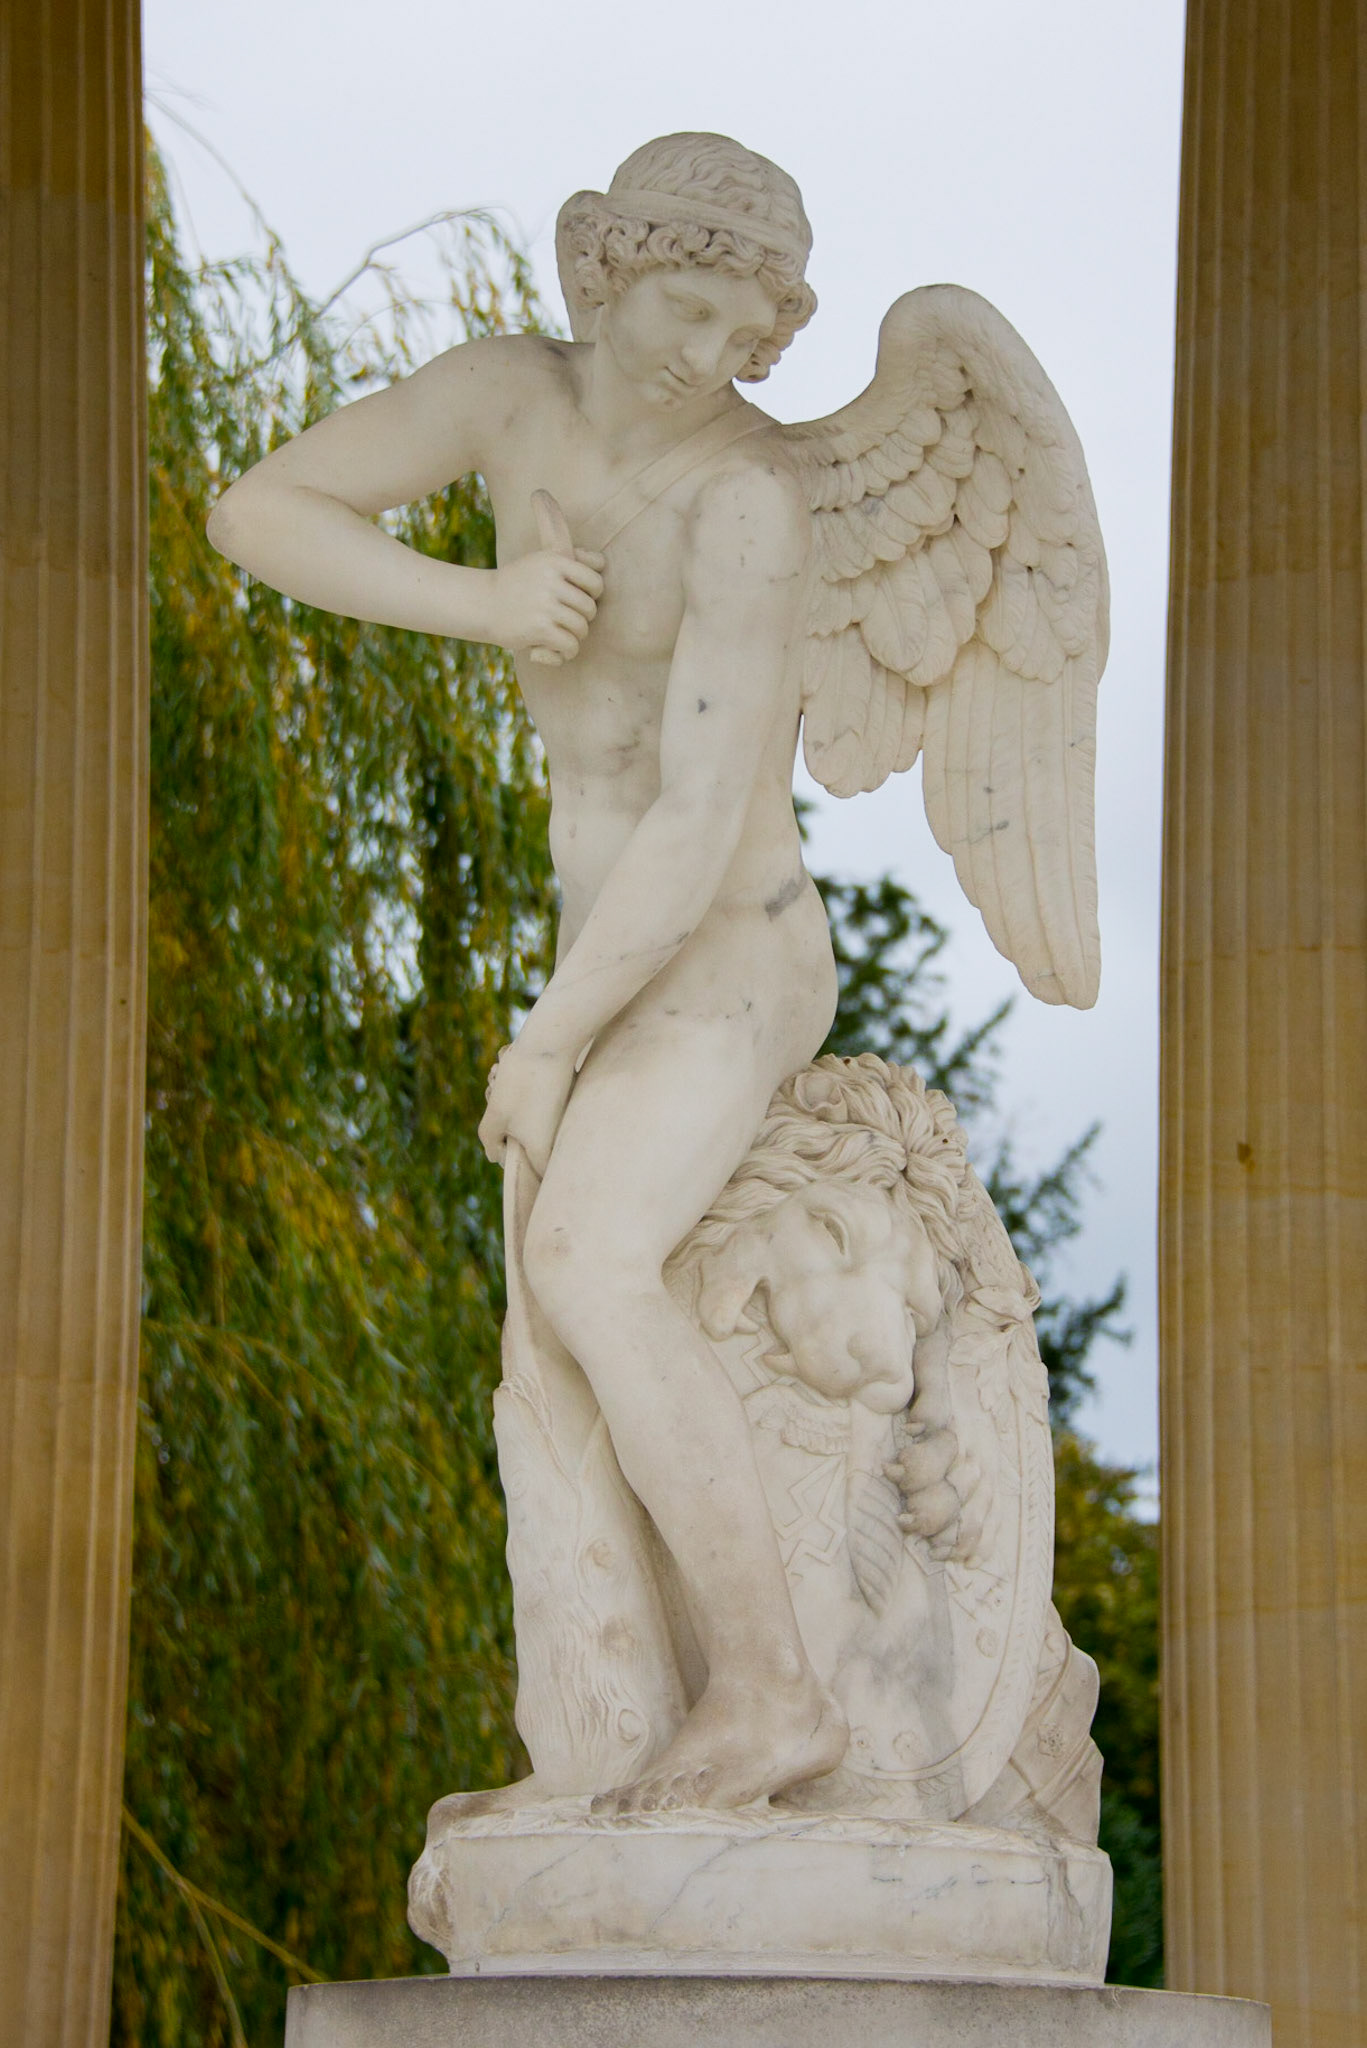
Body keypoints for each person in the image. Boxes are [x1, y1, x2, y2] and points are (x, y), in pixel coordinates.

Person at [207, 132, 849, 1812]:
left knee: (582, 1255)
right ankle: (613, 1737)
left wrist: (549, 1045)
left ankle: (778, 1697)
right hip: (599, 946)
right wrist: (484, 603)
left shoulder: (749, 502)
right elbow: (257, 510)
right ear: (605, 269)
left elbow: (706, 816)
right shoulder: (510, 395)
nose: (700, 354)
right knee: (549, 1350)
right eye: (679, 303)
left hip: (730, 950)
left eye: (737, 328)